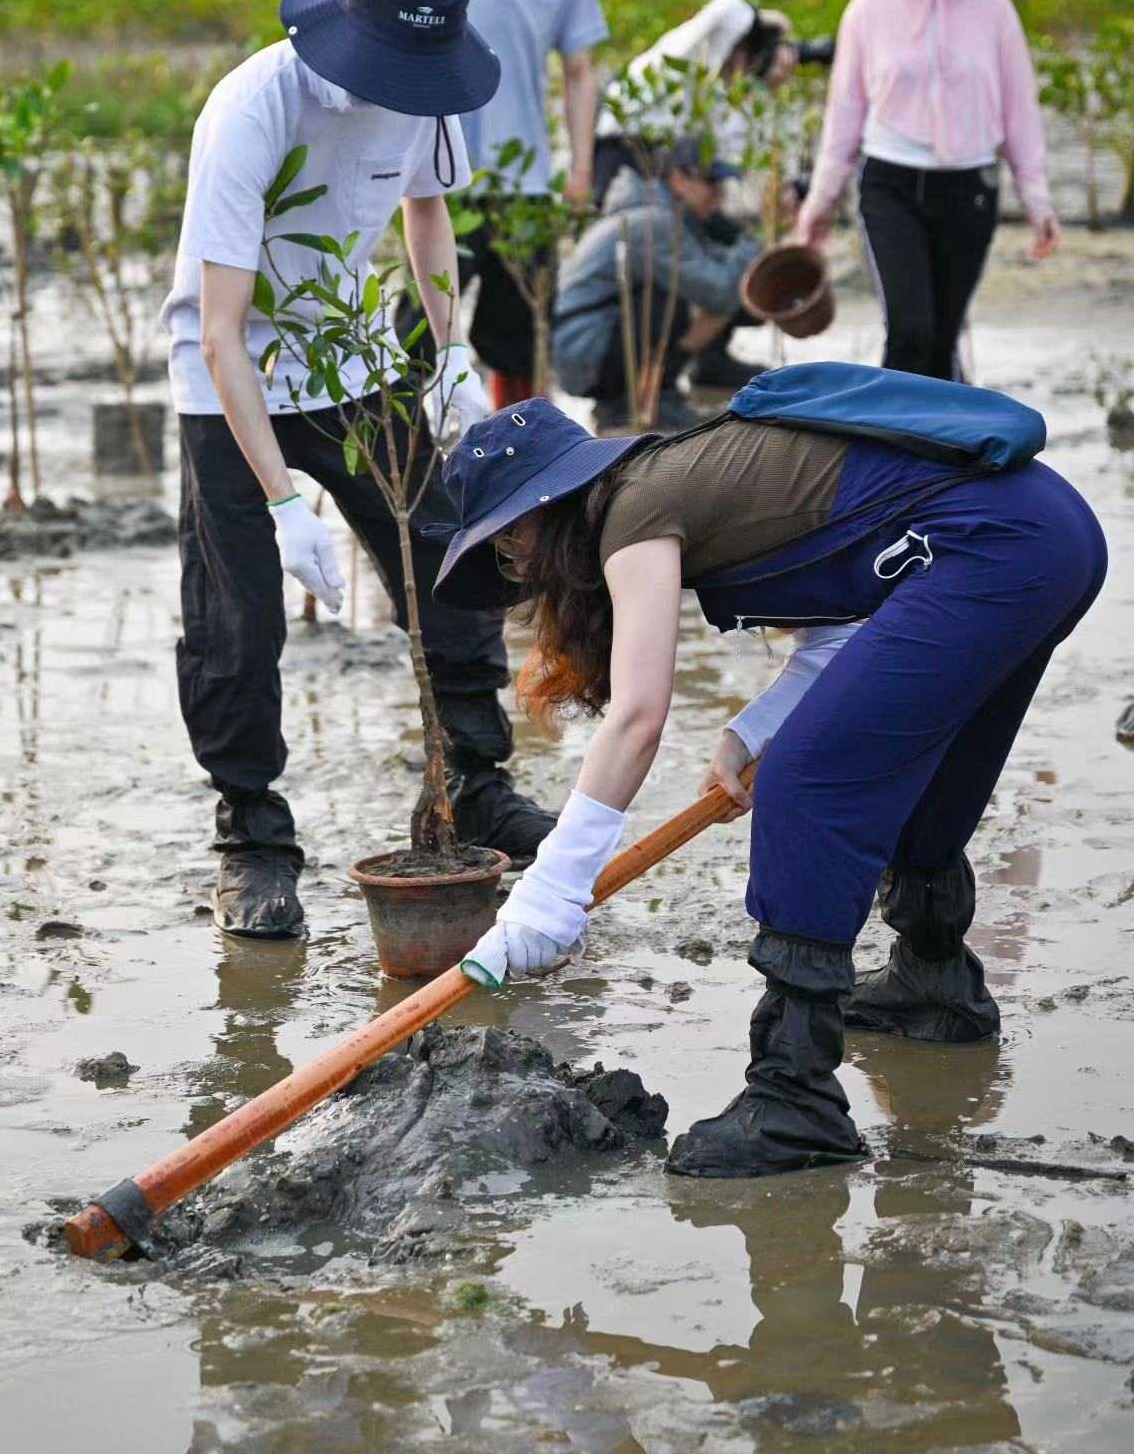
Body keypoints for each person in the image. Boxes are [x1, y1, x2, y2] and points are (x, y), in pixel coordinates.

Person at [430, 380, 1106, 1177]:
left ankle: (794, 1100)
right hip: (1045, 537)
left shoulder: (631, 513)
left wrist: (554, 890)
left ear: (545, 505)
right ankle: (934, 983)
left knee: (808, 787)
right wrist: (751, 729)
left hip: (996, 546)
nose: (514, 568)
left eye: (508, 547)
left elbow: (638, 717)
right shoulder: (678, 476)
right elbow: (840, 631)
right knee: (911, 758)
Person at [160, 0, 554, 940]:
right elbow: (219, 333)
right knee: (235, 614)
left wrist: (444, 349)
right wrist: (284, 504)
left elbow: (428, 220)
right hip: (233, 376)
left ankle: (473, 779)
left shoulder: (431, 90)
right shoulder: (251, 111)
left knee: (446, 550)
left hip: (351, 354)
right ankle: (252, 831)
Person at [797, 0, 1060, 379]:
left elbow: (1019, 113)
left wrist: (1038, 201)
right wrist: (819, 203)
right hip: (890, 184)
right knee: (910, 331)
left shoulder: (994, 9)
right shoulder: (870, 9)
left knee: (942, 338)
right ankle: (891, 452)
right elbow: (844, 115)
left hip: (970, 188)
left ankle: (941, 456)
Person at [440, 0, 609, 405]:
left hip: (528, 187)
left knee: (521, 339)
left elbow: (580, 70)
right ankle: (416, 473)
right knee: (420, 327)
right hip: (444, 183)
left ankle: (517, 474)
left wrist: (582, 165)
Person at [594, 0, 830, 388]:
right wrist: (779, 39)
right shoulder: (687, 53)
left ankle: (710, 359)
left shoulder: (717, 86)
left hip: (674, 173)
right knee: (666, 272)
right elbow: (729, 6)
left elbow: (735, 155)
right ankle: (656, 377)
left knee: (730, 252)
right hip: (629, 164)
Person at [552, 134, 760, 431]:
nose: (719, 194)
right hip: (586, 356)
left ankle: (653, 391)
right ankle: (626, 402)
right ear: (678, 178)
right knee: (682, 299)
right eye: (710, 183)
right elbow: (720, 291)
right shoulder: (653, 222)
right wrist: (749, 243)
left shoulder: (670, 216)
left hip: (589, 349)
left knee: (690, 292)